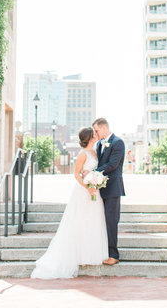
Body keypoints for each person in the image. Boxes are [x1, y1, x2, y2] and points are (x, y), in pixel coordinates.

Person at [31, 126, 108, 279]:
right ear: (90, 137)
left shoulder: (95, 150)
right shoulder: (82, 154)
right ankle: (79, 255)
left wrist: (95, 179)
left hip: (95, 190)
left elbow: (94, 169)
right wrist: (88, 187)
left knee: (93, 221)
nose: (97, 134)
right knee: (80, 221)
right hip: (84, 192)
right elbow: (76, 174)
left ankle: (89, 254)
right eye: (94, 133)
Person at [92, 117, 125, 266]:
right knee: (102, 221)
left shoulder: (118, 143)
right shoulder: (99, 144)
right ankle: (103, 251)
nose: (95, 133)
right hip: (101, 188)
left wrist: (92, 172)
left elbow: (112, 164)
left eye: (97, 130)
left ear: (104, 128)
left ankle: (113, 254)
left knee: (112, 221)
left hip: (113, 188)